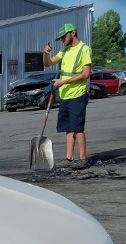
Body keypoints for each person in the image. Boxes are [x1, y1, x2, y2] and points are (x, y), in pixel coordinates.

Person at [44, 23, 92, 169]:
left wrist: (63, 81)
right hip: (64, 95)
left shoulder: (84, 49)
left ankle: (83, 159)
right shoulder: (64, 51)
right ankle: (69, 158)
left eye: (63, 36)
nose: (62, 40)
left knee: (77, 127)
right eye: (60, 38)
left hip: (78, 93)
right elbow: (48, 63)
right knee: (68, 128)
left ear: (73, 33)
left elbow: (85, 74)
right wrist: (45, 53)